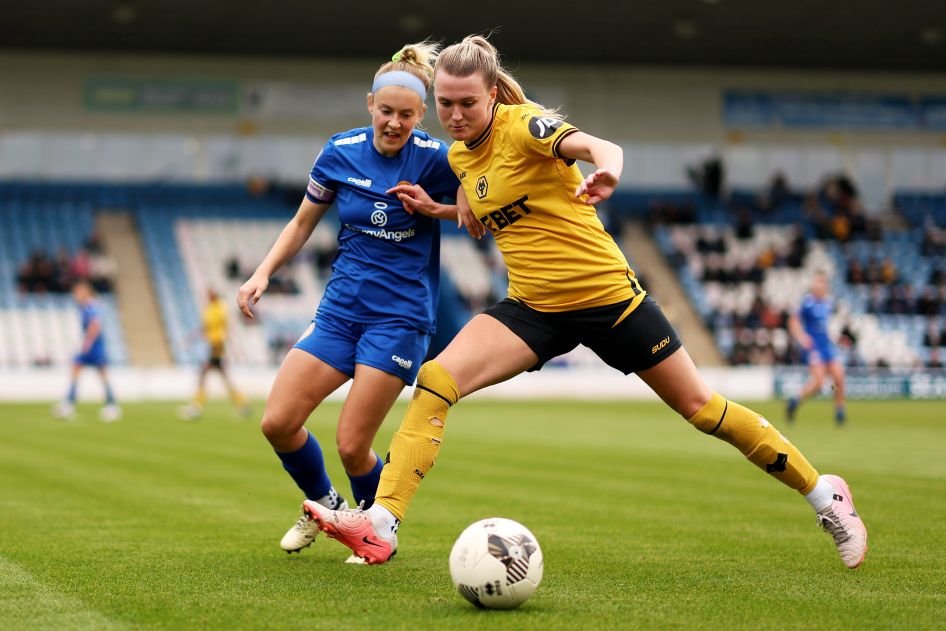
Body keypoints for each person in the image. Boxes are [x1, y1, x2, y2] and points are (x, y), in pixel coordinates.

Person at [304, 35, 868, 570]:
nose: (454, 115)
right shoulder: (459, 159)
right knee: (436, 379)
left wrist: (608, 171)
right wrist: (445, 212)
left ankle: (825, 495)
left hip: (607, 299)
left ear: (493, 93)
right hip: (534, 308)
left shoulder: (525, 127)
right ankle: (382, 522)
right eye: (445, 104)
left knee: (701, 409)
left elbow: (601, 146)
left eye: (467, 103)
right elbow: (494, 205)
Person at [236, 41, 470, 557]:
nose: (394, 123)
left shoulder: (437, 159)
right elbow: (302, 222)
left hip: (399, 319)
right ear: (370, 105)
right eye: (386, 111)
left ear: (421, 115)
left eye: (406, 115)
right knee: (277, 422)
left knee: (351, 444)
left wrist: (436, 209)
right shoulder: (339, 151)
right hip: (340, 314)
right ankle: (325, 504)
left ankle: (378, 533)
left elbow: (482, 209)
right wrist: (262, 273)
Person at [52, 280, 121, 422]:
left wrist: (87, 343)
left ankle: (111, 405)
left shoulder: (91, 306)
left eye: (78, 292)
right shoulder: (84, 306)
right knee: (76, 370)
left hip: (94, 346)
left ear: (86, 292)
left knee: (102, 374)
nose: (76, 295)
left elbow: (95, 325)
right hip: (89, 345)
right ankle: (69, 403)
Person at [178, 288, 251, 420]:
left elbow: (226, 327)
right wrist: (191, 338)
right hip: (213, 345)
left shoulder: (220, 308)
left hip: (217, 345)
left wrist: (230, 348)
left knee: (204, 374)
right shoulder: (209, 309)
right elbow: (205, 328)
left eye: (210, 294)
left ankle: (196, 407)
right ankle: (243, 405)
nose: (208, 296)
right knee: (223, 377)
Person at [786, 271, 847, 425]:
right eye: (818, 284)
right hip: (814, 347)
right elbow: (793, 321)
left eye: (823, 284)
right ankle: (795, 401)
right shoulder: (807, 303)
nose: (821, 287)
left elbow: (828, 327)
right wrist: (801, 337)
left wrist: (839, 338)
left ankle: (840, 413)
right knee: (818, 382)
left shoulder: (828, 303)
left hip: (827, 346)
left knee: (839, 377)